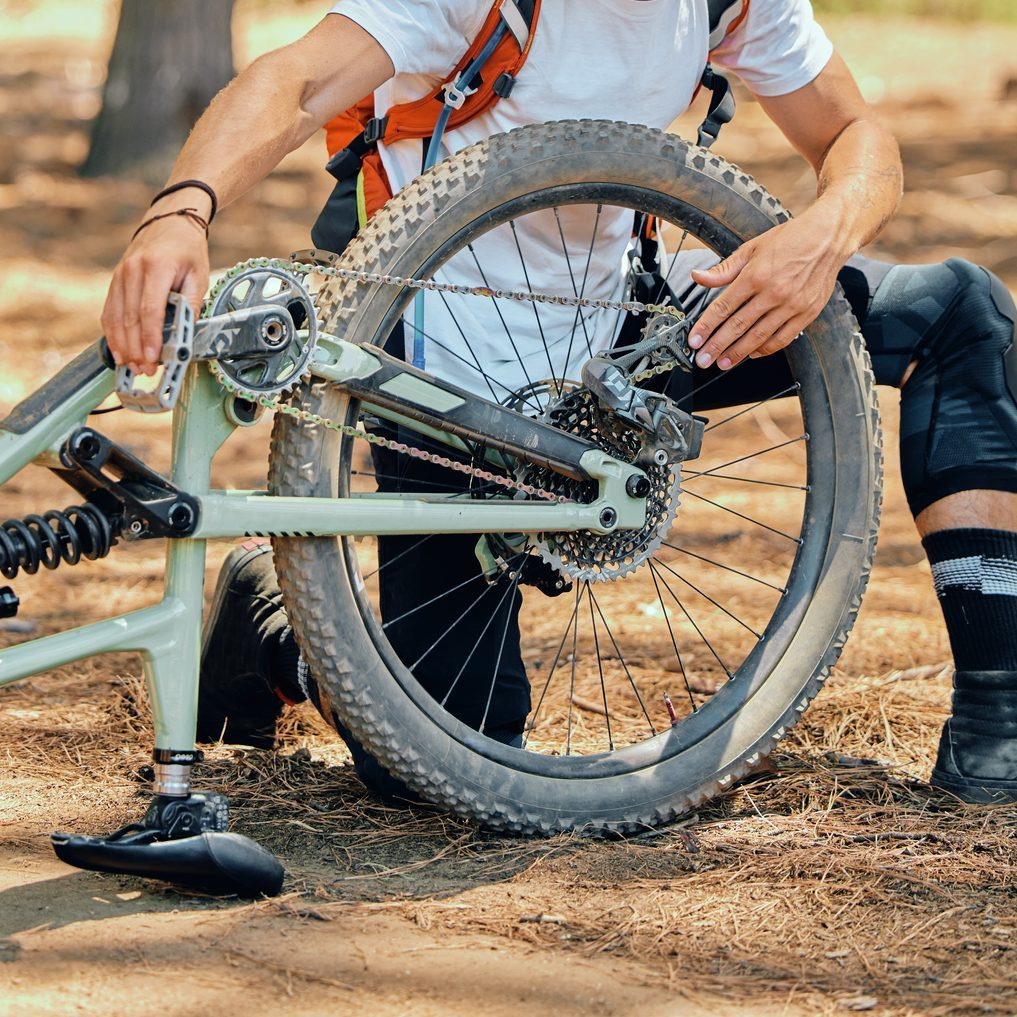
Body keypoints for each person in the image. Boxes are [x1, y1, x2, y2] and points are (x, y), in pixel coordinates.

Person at [102, 0, 1017, 805]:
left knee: (957, 310)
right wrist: (181, 210)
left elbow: (857, 134)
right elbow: (294, 81)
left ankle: (997, 715)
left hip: (615, 336)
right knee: (448, 749)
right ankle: (276, 612)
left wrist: (821, 235)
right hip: (442, 378)